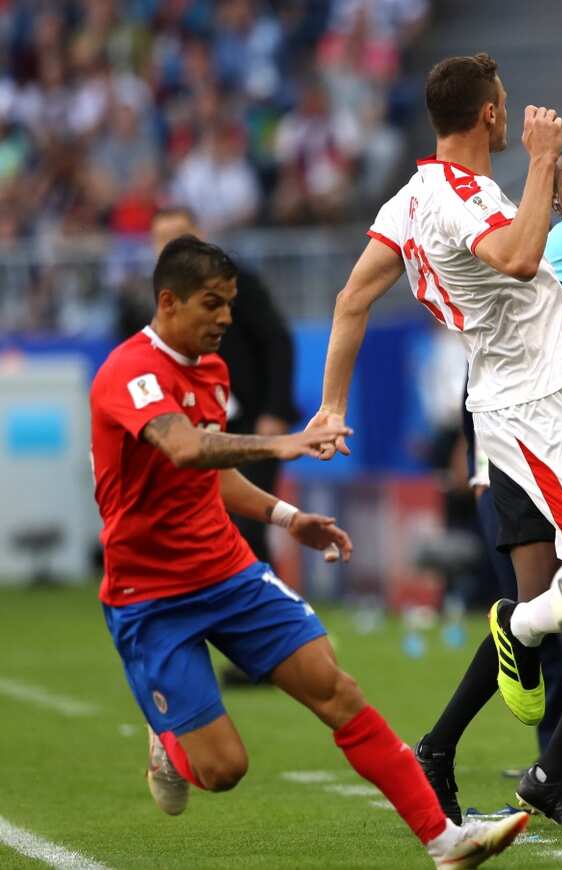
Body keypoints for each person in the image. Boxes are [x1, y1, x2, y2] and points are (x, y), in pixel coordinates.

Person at [305, 53, 562, 819]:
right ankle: (521, 630)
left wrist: (331, 405)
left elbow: (351, 297)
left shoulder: (411, 198)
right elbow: (522, 257)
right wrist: (542, 160)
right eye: (504, 103)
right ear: (491, 114)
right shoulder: (461, 198)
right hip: (529, 410)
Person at [90, 235, 526, 867]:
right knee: (223, 770)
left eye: (230, 303)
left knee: (336, 688)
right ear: (168, 302)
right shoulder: (129, 372)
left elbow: (210, 475)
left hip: (228, 572)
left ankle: (443, 841)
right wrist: (283, 444)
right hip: (150, 596)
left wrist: (287, 516)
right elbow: (183, 449)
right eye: (212, 304)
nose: (226, 317)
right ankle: (168, 740)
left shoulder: (212, 370)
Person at [415, 143, 562, 825]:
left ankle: (443, 749)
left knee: (548, 614)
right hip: (538, 446)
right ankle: (559, 765)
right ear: (554, 200)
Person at [148, 207, 300, 566]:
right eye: (163, 238)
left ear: (199, 235)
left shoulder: (237, 283)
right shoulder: (154, 302)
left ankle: (266, 596)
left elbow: (277, 342)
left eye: (180, 234)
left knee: (247, 530)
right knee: (210, 531)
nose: (172, 244)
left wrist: (275, 410)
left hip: (250, 421)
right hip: (197, 430)